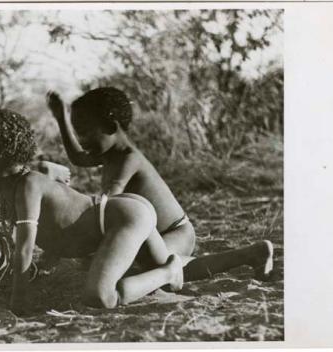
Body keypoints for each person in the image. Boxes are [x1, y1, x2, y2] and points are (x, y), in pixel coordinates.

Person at [0, 109, 271, 315]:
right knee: (184, 271)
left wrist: (20, 298)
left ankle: (167, 271)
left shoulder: (29, 184)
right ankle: (252, 254)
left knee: (100, 297)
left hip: (119, 219)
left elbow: (24, 245)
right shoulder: (5, 187)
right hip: (123, 217)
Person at [47, 88, 274, 271]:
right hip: (151, 235)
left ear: (110, 125)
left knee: (166, 268)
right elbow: (77, 157)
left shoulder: (128, 159)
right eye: (79, 133)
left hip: (175, 233)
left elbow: (109, 200)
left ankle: (250, 254)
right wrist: (61, 119)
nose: (82, 140)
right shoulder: (108, 154)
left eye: (85, 132)